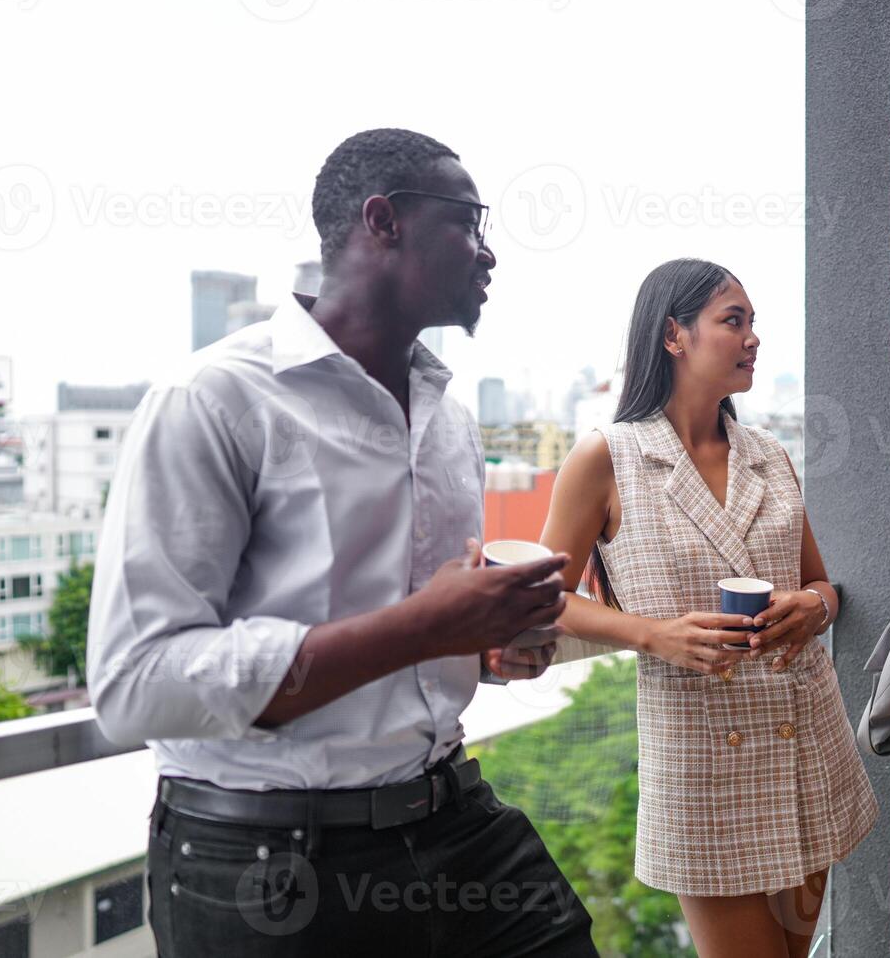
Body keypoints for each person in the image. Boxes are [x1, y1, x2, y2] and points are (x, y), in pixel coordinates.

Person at [87, 128, 598, 957]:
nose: (489, 252)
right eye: (470, 220)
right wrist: (430, 628)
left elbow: (416, 640)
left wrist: (483, 651)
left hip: (454, 815)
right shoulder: (215, 400)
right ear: (383, 222)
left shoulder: (449, 421)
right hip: (269, 865)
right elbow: (134, 687)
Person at [538, 258, 879, 957]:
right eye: (734, 321)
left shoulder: (770, 455)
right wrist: (653, 635)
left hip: (804, 739)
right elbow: (546, 603)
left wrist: (812, 610)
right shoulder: (606, 457)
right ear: (674, 335)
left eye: (754, 323)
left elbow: (822, 586)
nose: (753, 338)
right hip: (700, 759)